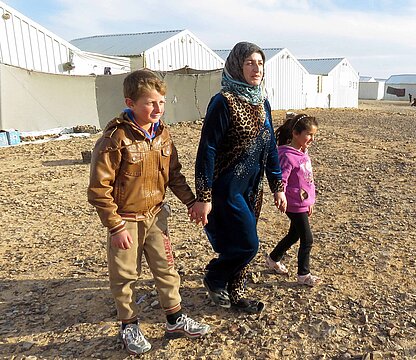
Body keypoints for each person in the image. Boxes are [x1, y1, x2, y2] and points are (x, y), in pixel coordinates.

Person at [87, 69, 209, 355]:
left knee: (166, 268)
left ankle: (175, 319)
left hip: (156, 215)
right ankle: (128, 325)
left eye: (162, 102)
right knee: (124, 275)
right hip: (126, 220)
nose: (158, 108)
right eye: (150, 103)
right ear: (130, 102)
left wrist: (191, 202)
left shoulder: (163, 135)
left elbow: (174, 175)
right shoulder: (114, 139)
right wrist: (115, 227)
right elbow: (98, 189)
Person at [193, 42, 287, 313]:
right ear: (236, 66)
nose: (256, 68)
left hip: (251, 189)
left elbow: (269, 147)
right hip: (226, 187)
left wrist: (277, 186)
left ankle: (235, 293)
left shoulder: (262, 102)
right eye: (249, 63)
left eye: (260, 63)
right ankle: (214, 275)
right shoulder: (223, 102)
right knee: (248, 244)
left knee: (239, 242)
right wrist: (204, 196)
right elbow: (207, 150)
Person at [265, 113, 321, 287]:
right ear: (296, 133)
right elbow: (281, 179)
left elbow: (307, 180)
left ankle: (273, 258)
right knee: (307, 239)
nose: (311, 138)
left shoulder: (303, 153)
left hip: (302, 203)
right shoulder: (287, 155)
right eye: (309, 134)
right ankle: (304, 274)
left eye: (314, 135)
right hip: (293, 204)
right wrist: (279, 195)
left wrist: (310, 201)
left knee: (294, 234)